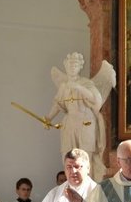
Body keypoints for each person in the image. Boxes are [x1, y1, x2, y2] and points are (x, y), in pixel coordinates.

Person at [45, 52, 115, 181]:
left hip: (86, 122)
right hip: (69, 122)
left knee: (86, 156)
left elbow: (96, 99)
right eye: (70, 65)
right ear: (66, 66)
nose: (72, 67)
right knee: (67, 154)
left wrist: (78, 87)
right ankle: (72, 183)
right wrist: (48, 118)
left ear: (80, 67)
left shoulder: (86, 83)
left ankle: (88, 184)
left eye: (75, 65)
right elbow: (57, 104)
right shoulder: (63, 86)